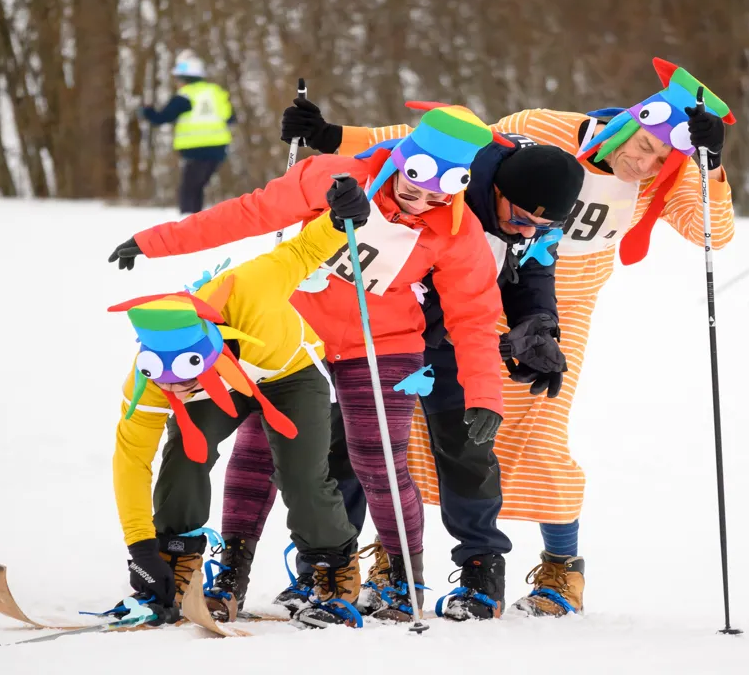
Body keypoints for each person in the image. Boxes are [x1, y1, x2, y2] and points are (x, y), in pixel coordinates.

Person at [297, 57, 737, 617]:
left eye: (660, 159)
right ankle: (392, 556)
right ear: (630, 122)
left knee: (536, 437)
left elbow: (712, 233)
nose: (646, 166)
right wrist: (334, 136)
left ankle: (562, 568)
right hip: (460, 294)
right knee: (411, 432)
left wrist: (710, 166)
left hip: (556, 311)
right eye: (645, 148)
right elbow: (447, 139)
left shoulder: (673, 176)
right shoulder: (545, 129)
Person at [107, 101, 507, 623]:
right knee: (259, 448)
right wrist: (155, 242)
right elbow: (248, 213)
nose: (423, 196)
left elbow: (474, 316)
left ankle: (399, 579)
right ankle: (231, 569)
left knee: (378, 460)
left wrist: (483, 395)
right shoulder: (333, 177)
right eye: (417, 176)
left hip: (382, 340)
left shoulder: (457, 230)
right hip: (297, 334)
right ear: (403, 157)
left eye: (444, 187)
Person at [221, 102, 587, 620]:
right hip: (382, 330)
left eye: (542, 226)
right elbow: (396, 139)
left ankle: (482, 570)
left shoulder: (536, 212)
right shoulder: (448, 177)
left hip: (453, 338)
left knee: (466, 451)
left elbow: (532, 270)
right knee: (344, 446)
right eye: (520, 219)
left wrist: (538, 327)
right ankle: (328, 568)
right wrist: (330, 135)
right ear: (494, 190)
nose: (527, 231)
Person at [106, 185, 371, 629]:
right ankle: (175, 562)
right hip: (222, 387)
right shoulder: (148, 378)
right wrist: (142, 547)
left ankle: (332, 564)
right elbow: (131, 458)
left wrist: (343, 217)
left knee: (301, 472)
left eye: (187, 379)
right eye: (172, 384)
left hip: (287, 372)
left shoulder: (253, 286)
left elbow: (306, 248)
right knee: (186, 451)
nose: (179, 389)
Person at [139, 50, 235, 214]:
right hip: (218, 148)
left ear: (184, 78)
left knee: (188, 189)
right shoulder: (216, 92)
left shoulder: (185, 96)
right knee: (197, 187)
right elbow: (231, 118)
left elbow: (163, 118)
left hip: (196, 149)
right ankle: (195, 220)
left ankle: (186, 224)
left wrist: (146, 112)